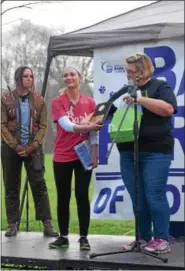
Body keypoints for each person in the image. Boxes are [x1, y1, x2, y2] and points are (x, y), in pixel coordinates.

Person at [111, 53, 177, 254]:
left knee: (154, 195)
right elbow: (107, 112)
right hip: (128, 153)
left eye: (132, 71)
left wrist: (139, 99)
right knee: (137, 196)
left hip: (155, 151)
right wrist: (93, 121)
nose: (128, 74)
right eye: (127, 71)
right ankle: (142, 238)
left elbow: (168, 109)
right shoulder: (125, 90)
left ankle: (162, 239)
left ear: (144, 71)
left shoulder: (159, 87)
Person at [1, 66, 58, 238]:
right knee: (11, 187)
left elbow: (43, 126)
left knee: (39, 186)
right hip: (11, 150)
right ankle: (12, 224)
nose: (29, 79)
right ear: (18, 78)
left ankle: (47, 224)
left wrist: (32, 146)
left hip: (34, 150)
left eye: (31, 76)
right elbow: (2, 125)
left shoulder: (39, 101)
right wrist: (15, 146)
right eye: (26, 76)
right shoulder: (5, 99)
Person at [49, 66, 102, 250]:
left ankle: (83, 237)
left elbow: (95, 134)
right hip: (62, 156)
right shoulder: (58, 101)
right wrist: (88, 125)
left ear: (80, 77)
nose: (68, 77)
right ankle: (63, 236)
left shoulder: (90, 103)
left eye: (72, 74)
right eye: (65, 75)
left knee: (81, 195)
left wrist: (95, 154)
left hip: (83, 156)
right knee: (63, 196)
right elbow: (67, 125)